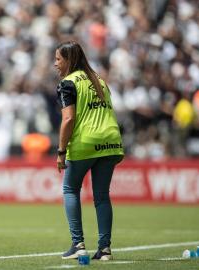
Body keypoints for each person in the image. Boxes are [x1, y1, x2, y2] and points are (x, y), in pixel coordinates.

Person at [54, 41, 124, 261]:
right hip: (111, 141)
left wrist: (61, 151)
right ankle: (105, 249)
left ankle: (78, 244)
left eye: (58, 59)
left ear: (68, 60)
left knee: (70, 189)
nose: (55, 64)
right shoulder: (99, 80)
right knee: (102, 196)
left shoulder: (68, 83)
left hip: (86, 142)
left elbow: (68, 119)